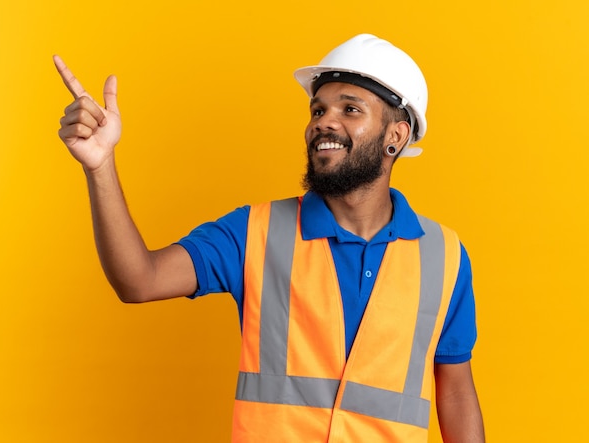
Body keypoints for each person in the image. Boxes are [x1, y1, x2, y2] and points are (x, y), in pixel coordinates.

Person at [55, 34, 485, 442]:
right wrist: (100, 167)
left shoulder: (442, 256)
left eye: (349, 109)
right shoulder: (254, 232)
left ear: (396, 136)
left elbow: (456, 390)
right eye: (318, 111)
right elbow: (139, 280)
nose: (324, 123)